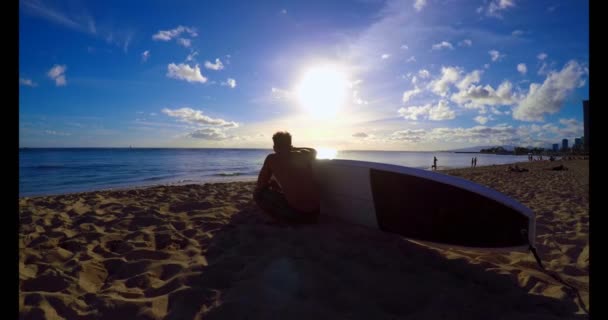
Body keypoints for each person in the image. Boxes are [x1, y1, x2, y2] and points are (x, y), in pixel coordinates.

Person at [253, 131, 320, 224]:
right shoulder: (303, 155)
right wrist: (294, 148)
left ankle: (279, 219)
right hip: (314, 213)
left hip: (297, 215)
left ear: (274, 147)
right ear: (290, 145)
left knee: (258, 194)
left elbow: (260, 184)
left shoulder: (271, 158)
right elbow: (314, 150)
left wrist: (269, 184)